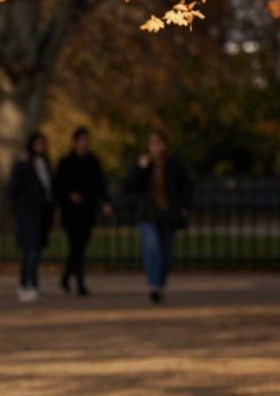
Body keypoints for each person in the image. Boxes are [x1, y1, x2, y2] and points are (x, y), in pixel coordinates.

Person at [122, 130, 195, 303]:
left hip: (168, 214)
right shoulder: (144, 164)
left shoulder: (175, 163)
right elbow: (127, 186)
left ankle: (160, 284)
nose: (155, 147)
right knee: (152, 247)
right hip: (147, 214)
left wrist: (183, 207)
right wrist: (140, 169)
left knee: (166, 254)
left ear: (165, 145)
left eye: (158, 143)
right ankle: (153, 284)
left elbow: (188, 186)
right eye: (151, 143)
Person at [55, 128, 112, 296]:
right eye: (82, 140)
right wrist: (69, 195)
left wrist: (106, 202)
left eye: (87, 140)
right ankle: (80, 282)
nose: (85, 143)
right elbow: (59, 185)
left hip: (87, 210)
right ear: (75, 142)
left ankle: (66, 276)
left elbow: (101, 184)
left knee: (79, 247)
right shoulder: (65, 162)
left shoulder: (93, 161)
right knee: (76, 245)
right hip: (71, 212)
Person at [8, 132, 55, 301]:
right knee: (31, 251)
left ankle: (33, 284)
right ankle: (26, 284)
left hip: (42, 214)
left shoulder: (45, 164)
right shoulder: (23, 165)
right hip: (28, 214)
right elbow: (13, 190)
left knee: (35, 251)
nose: (42, 147)